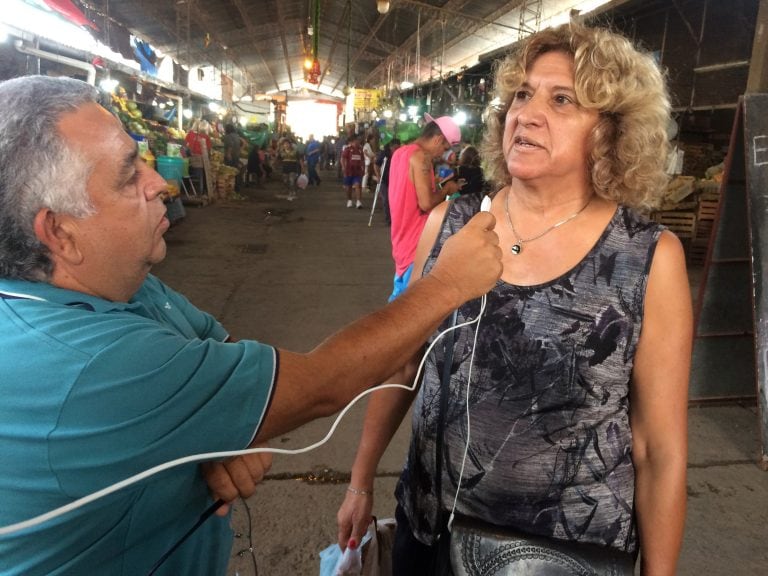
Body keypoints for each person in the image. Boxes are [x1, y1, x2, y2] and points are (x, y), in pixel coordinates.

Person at [0, 75, 503, 576]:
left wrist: (220, 430)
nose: (160, 183)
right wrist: (447, 284)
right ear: (60, 232)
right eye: (129, 176)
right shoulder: (88, 366)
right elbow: (321, 384)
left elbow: (222, 350)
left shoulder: (119, 287)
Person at [337, 21, 692, 576]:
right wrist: (361, 480)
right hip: (427, 537)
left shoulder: (647, 258)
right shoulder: (450, 224)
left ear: (610, 132)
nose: (526, 113)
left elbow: (659, 449)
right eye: (522, 94)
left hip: (563, 557)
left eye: (562, 100)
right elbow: (406, 362)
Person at [387, 113, 462, 301]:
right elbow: (426, 203)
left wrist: (434, 184)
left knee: (400, 297)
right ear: (438, 139)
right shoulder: (422, 158)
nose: (442, 153)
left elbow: (407, 192)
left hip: (401, 236)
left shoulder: (400, 153)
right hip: (416, 242)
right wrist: (447, 189)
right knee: (409, 305)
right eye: (445, 147)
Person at [374, 138, 401, 225]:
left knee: (395, 200)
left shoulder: (400, 154)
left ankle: (395, 218)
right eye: (395, 148)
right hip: (384, 180)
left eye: (398, 148)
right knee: (386, 199)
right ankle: (388, 219)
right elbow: (376, 164)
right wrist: (378, 176)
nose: (396, 150)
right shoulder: (384, 154)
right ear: (391, 147)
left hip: (395, 180)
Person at [341, 133, 365, 209]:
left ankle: (358, 202)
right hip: (348, 171)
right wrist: (343, 168)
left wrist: (363, 168)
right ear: (353, 141)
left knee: (358, 185)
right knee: (348, 187)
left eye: (358, 140)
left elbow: (362, 160)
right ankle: (349, 200)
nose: (358, 142)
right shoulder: (347, 149)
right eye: (357, 140)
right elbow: (343, 159)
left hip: (357, 172)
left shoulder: (360, 150)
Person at [222, 123, 243, 192]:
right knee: (235, 171)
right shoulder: (236, 136)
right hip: (236, 156)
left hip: (231, 157)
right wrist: (240, 150)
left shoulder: (228, 136)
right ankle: (237, 187)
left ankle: (230, 188)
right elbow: (244, 142)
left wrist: (228, 154)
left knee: (229, 173)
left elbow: (230, 146)